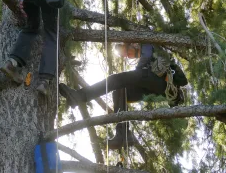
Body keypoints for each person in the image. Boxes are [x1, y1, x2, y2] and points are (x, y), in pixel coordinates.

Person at [59, 43, 188, 150]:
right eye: (124, 55)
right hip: (154, 85)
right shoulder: (144, 59)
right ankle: (123, 133)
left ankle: (79, 96)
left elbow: (146, 58)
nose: (127, 56)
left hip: (161, 83)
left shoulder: (147, 45)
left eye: (126, 52)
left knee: (115, 80)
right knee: (120, 90)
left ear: (133, 44)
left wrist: (134, 74)